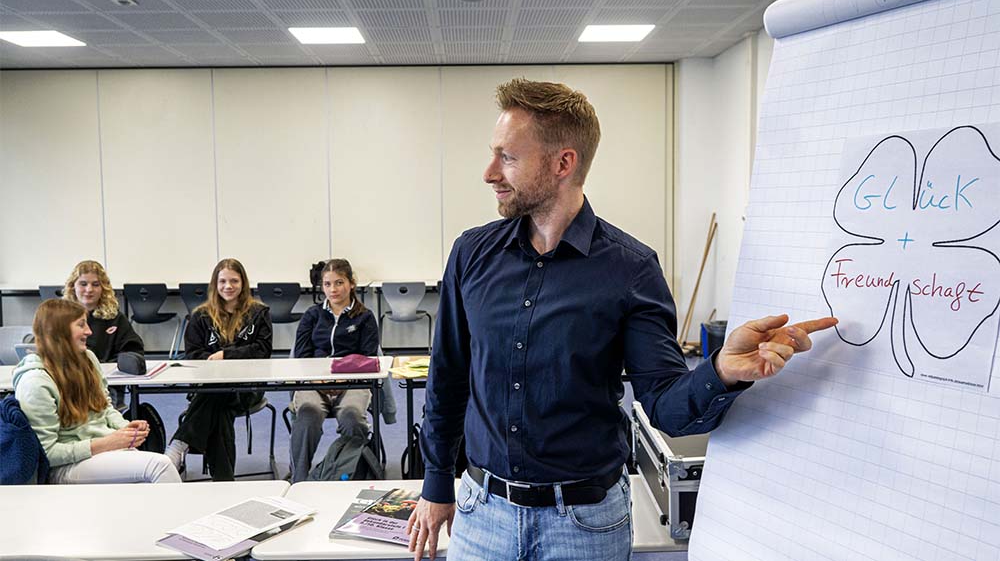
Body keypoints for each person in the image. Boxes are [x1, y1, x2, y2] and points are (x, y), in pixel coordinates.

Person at [407, 78, 839, 561]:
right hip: (481, 513)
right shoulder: (472, 253)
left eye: (507, 157)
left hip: (583, 525)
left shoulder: (631, 269)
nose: (489, 172)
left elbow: (664, 406)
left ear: (563, 163)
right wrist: (436, 483)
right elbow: (448, 377)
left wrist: (720, 371)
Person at [12, 299, 180, 484]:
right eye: (81, 325)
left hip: (99, 449)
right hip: (66, 466)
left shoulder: (87, 358)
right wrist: (108, 443)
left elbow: (104, 408)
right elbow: (47, 453)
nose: (89, 331)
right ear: (59, 331)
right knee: (160, 466)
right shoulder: (35, 383)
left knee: (148, 476)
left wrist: (125, 428)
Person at [163, 258, 273, 481]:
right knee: (220, 406)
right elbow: (193, 354)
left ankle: (180, 444)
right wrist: (217, 364)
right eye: (222, 281)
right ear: (215, 283)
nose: (228, 286)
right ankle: (224, 481)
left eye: (234, 281)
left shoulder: (259, 313)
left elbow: (263, 350)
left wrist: (226, 355)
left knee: (218, 395)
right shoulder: (200, 315)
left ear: (243, 283)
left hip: (248, 388)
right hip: (210, 386)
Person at [288, 258, 379, 483]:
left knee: (351, 417)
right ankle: (299, 480)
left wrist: (344, 380)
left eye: (339, 283)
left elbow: (368, 358)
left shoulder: (365, 317)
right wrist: (317, 380)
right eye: (327, 284)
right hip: (315, 383)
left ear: (351, 283)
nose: (333, 289)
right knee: (307, 414)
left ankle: (348, 474)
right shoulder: (312, 315)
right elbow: (302, 356)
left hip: (352, 384)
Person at [62, 260, 144, 364]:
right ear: (73, 286)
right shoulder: (62, 318)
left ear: (103, 288)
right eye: (83, 284)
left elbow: (134, 350)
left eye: (95, 284)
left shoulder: (115, 318)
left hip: (109, 371)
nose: (89, 289)